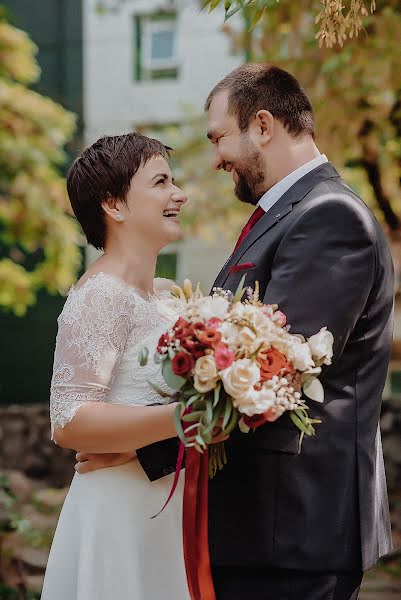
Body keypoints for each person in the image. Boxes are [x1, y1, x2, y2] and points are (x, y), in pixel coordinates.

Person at [78, 64, 394, 600]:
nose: (217, 157)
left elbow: (273, 373)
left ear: (264, 125)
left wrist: (139, 453)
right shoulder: (284, 216)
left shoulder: (329, 216)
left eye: (219, 137)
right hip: (260, 530)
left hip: (294, 528)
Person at [41, 133, 193, 600]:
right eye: (161, 182)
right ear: (115, 205)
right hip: (122, 513)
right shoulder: (101, 295)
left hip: (171, 509)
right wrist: (184, 421)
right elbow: (70, 420)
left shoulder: (171, 297)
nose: (179, 195)